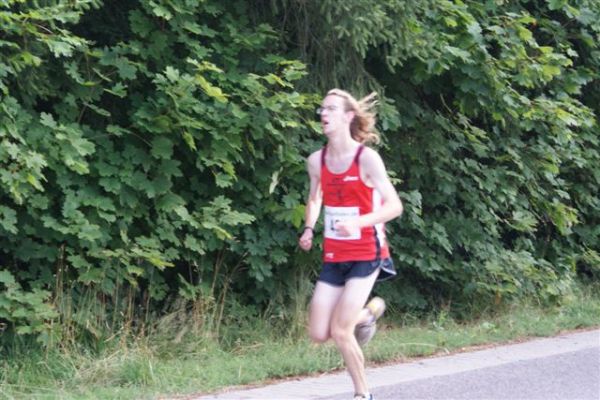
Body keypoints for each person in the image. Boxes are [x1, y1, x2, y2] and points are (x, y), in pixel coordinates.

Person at [299, 88, 403, 400]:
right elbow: (315, 198)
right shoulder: (316, 161)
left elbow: (394, 206)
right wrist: (309, 228)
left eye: (331, 108)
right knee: (319, 332)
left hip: (367, 253)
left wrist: (358, 222)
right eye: (322, 109)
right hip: (334, 255)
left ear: (348, 116)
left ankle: (363, 394)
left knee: (341, 331)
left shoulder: (366, 159)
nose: (323, 114)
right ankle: (368, 314)